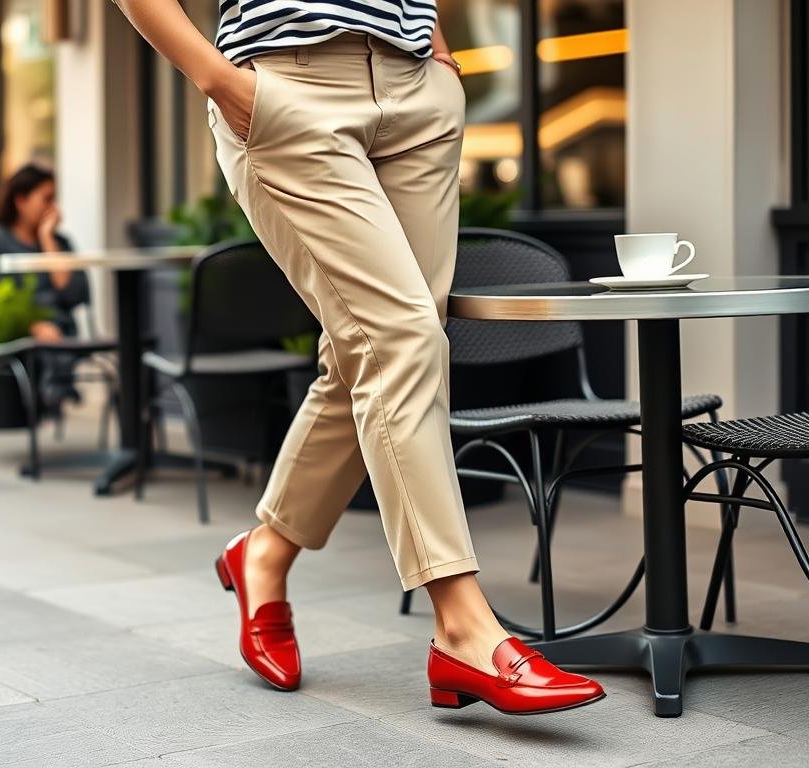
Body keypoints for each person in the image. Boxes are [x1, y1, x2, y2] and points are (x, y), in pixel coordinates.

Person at [112, 1, 605, 716]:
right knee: (400, 338)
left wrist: (432, 39)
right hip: (289, 90)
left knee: (371, 349)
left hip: (417, 90)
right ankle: (463, 627)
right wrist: (218, 81)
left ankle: (265, 553)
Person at [0, 162, 90, 410]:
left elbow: (75, 294)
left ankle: (56, 387)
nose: (52, 208)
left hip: (61, 326)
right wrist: (33, 325)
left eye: (54, 199)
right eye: (46, 199)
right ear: (21, 200)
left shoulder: (60, 242)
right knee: (51, 334)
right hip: (18, 327)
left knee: (57, 329)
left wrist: (47, 239)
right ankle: (57, 387)